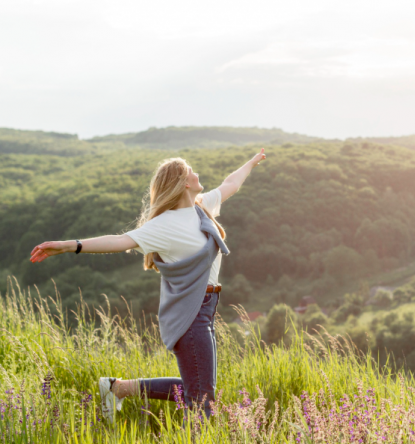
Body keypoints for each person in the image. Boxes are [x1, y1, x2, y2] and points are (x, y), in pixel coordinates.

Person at [29, 148, 266, 423]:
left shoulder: (201, 207)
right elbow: (119, 241)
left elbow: (230, 184)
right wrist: (70, 246)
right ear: (183, 182)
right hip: (191, 315)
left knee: (198, 390)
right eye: (191, 170)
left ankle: (118, 388)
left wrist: (252, 161)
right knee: (202, 402)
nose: (196, 172)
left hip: (207, 310)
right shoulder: (164, 225)